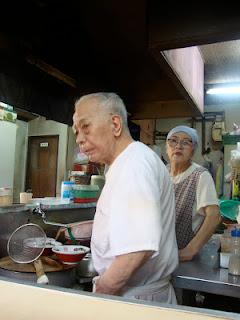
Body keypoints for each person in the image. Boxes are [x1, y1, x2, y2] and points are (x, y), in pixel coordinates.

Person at [72, 92, 178, 304]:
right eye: (76, 132)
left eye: (86, 127)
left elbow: (139, 247)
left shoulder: (133, 164)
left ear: (115, 124)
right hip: (137, 295)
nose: (79, 139)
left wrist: (104, 289)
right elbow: (130, 222)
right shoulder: (126, 162)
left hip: (134, 299)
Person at [166, 125, 221, 262]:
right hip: (161, 255)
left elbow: (214, 216)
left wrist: (191, 250)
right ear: (166, 146)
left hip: (184, 257)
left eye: (186, 142)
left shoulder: (200, 175)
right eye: (173, 140)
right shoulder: (161, 173)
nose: (178, 146)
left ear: (193, 150)